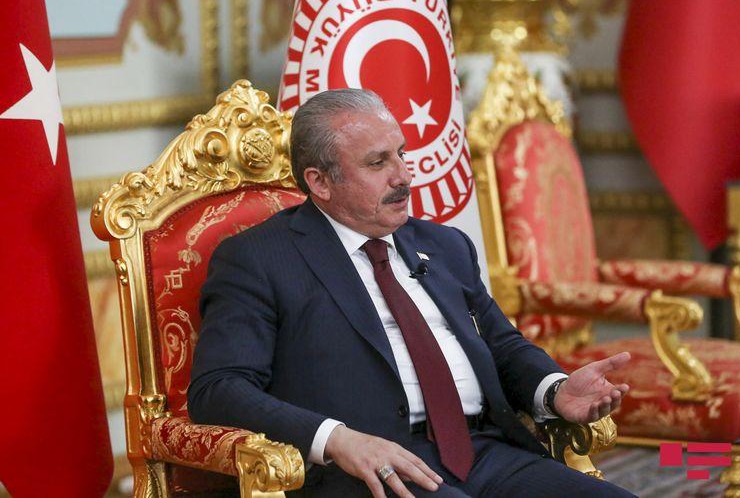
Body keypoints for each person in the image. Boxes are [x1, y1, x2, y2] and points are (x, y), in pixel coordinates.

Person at [188, 89, 635, 497]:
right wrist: (338, 440)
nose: (403, 176)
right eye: (377, 163)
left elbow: (501, 345)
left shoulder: (445, 245)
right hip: (369, 470)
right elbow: (219, 389)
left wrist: (553, 389)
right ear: (320, 182)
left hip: (485, 451)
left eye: (401, 154)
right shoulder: (260, 259)